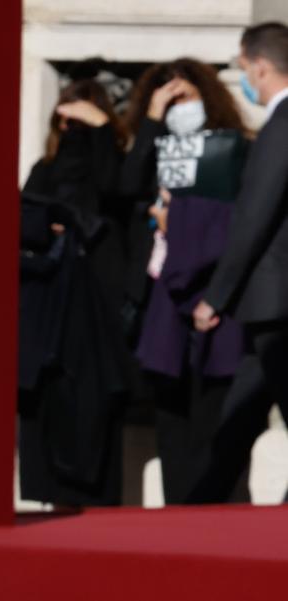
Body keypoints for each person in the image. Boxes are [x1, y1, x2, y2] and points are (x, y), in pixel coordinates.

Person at [120, 57, 251, 504]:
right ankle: (179, 509)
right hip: (162, 297)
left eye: (184, 95)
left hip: (216, 293)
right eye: (166, 97)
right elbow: (125, 186)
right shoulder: (152, 144)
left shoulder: (236, 147)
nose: (178, 105)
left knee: (217, 408)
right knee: (171, 410)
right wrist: (154, 117)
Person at [18, 78, 131, 507]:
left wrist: (101, 126)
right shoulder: (44, 169)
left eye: (80, 119)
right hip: (47, 307)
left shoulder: (111, 160)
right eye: (65, 119)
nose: (71, 127)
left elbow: (115, 187)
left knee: (94, 398)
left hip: (98, 303)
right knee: (48, 395)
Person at [190, 22, 288, 502]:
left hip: (277, 300)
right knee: (239, 417)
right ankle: (200, 503)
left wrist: (217, 295)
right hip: (272, 303)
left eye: (243, 67)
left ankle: (199, 503)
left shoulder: (282, 125)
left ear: (261, 66)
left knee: (243, 412)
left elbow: (255, 217)